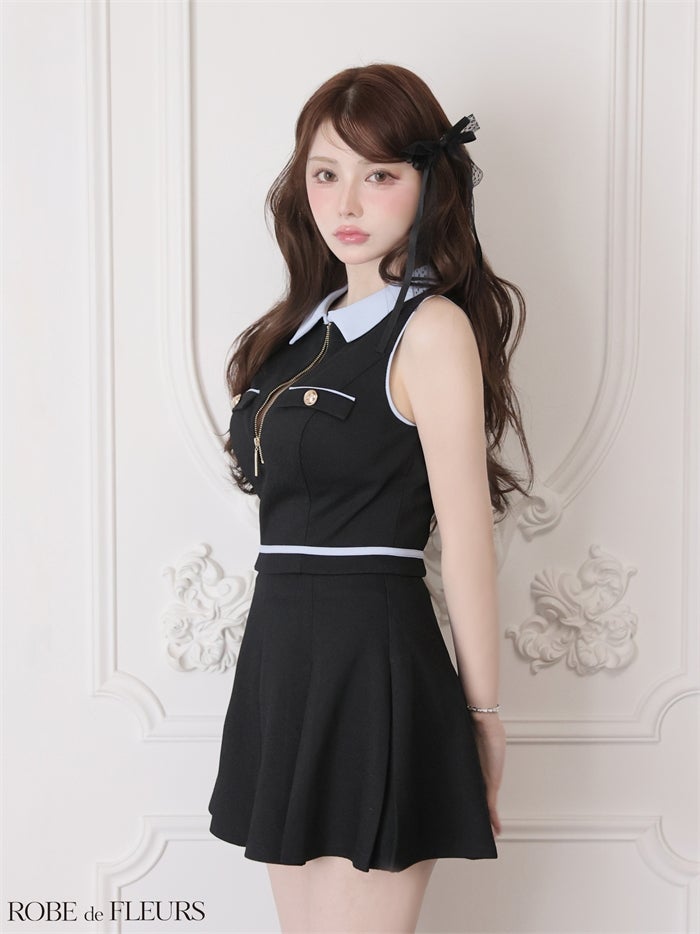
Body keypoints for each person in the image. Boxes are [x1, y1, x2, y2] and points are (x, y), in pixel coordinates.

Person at [208, 63, 534, 933]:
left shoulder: (429, 329)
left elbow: (465, 536)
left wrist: (484, 714)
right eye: (326, 173)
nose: (346, 201)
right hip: (280, 659)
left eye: (379, 174)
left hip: (371, 662)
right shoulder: (299, 331)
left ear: (429, 183)